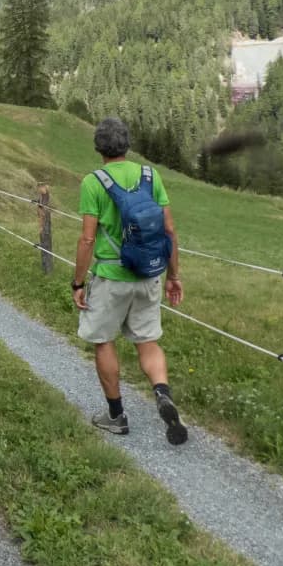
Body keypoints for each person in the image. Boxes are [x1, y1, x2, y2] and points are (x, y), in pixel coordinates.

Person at [71, 117, 187, 444]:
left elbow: (87, 240)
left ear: (98, 147)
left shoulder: (93, 182)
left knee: (104, 341)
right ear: (127, 144)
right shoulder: (151, 176)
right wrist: (173, 275)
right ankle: (162, 393)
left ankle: (116, 415)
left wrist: (78, 282)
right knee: (147, 342)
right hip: (149, 273)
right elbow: (169, 230)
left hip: (111, 277)